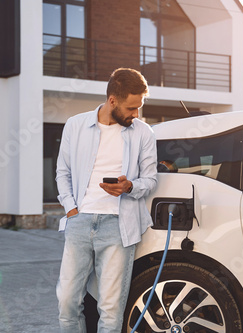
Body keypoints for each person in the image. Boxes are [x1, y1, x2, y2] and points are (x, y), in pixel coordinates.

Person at [55, 68, 158, 333]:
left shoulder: (143, 133)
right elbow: (62, 172)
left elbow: (151, 179)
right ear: (112, 100)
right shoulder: (75, 125)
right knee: (67, 302)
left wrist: (129, 186)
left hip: (119, 227)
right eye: (131, 107)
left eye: (139, 107)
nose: (136, 114)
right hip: (79, 221)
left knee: (110, 310)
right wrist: (71, 209)